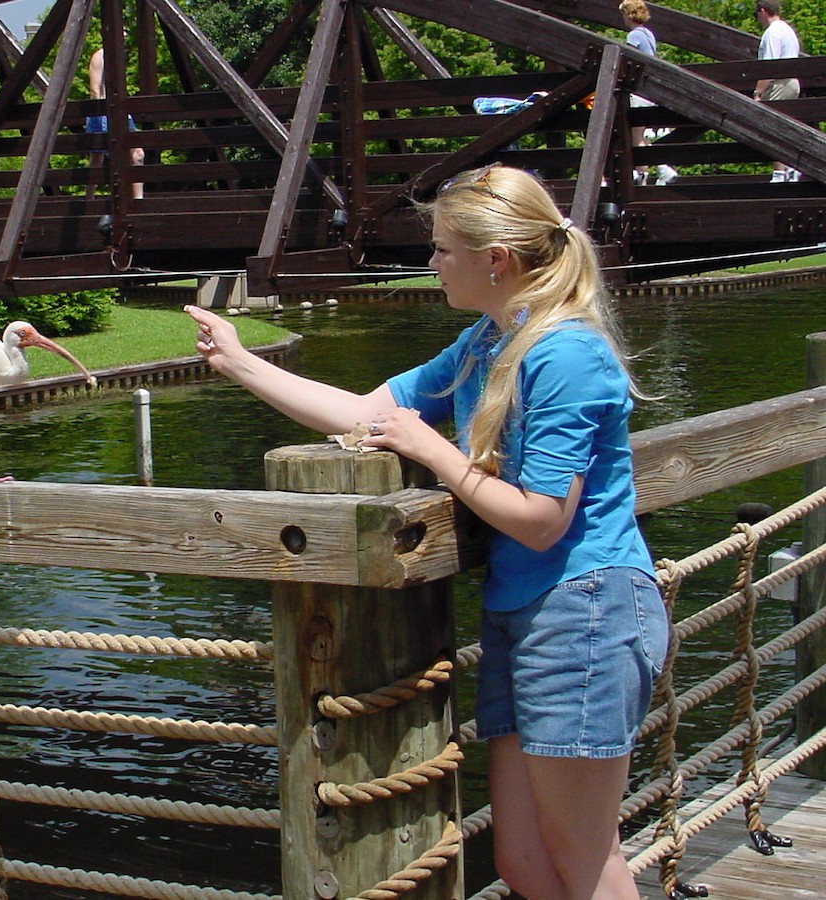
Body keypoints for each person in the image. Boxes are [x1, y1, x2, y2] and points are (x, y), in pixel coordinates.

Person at [185, 164, 667, 900]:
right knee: (526, 864)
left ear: (494, 259)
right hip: (525, 613)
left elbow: (543, 520)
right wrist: (240, 361)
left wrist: (431, 448)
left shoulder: (564, 353)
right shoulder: (486, 342)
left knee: (583, 860)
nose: (432, 262)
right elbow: (364, 413)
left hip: (587, 611)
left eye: (443, 249)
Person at [619, 0, 678, 187]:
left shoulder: (634, 36)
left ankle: (657, 170)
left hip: (638, 92)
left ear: (629, 15)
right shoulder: (649, 34)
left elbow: (628, 62)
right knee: (641, 136)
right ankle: (644, 173)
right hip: (648, 91)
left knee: (635, 137)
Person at [87, 35, 144, 199]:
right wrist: (103, 118)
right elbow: (95, 91)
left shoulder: (118, 60)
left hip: (121, 111)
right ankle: (88, 201)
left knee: (137, 154)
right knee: (97, 160)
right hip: (102, 113)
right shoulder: (100, 57)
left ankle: (138, 201)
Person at [753, 0, 801, 182]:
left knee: (774, 128)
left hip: (780, 82)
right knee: (785, 126)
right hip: (792, 81)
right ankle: (790, 168)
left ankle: (780, 172)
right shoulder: (787, 30)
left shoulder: (772, 33)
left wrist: (758, 92)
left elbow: (770, 67)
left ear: (763, 11)